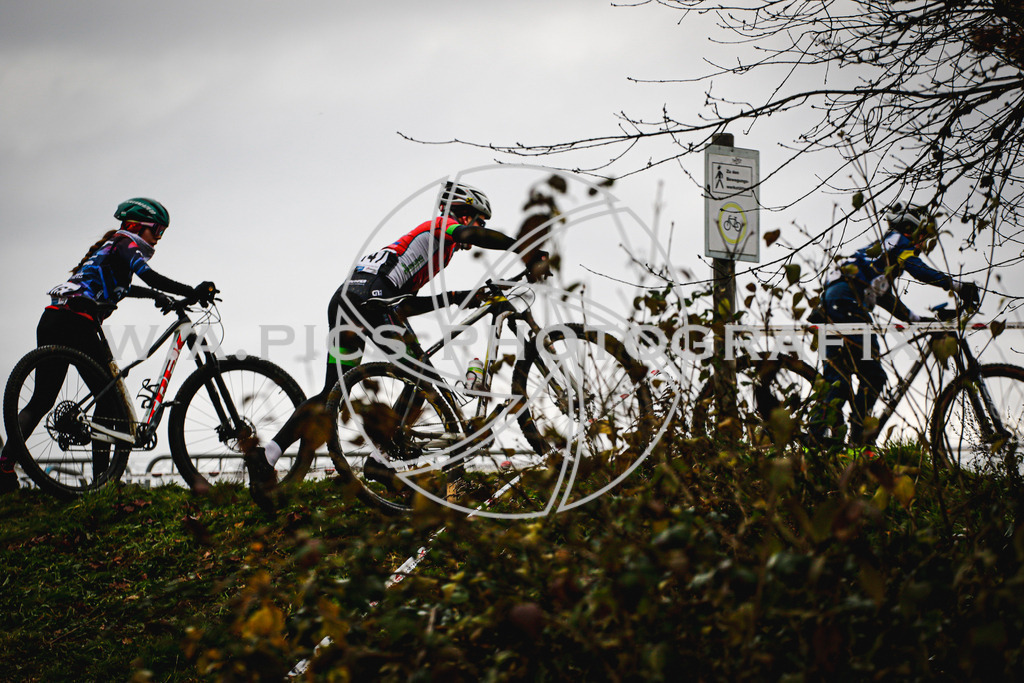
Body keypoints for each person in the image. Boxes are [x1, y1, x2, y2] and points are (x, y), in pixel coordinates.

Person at [244, 181, 547, 502]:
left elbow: (405, 305)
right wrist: (522, 248)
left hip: (349, 300)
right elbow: (469, 238)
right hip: (373, 302)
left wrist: (456, 298)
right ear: (462, 214)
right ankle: (383, 461)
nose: (480, 228)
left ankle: (267, 457)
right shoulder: (439, 227)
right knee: (424, 379)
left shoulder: (433, 253)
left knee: (334, 393)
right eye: (479, 221)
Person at [0, 198, 217, 493]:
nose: (159, 238)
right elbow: (149, 276)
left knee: (41, 399)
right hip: (77, 321)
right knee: (108, 401)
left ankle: (4, 467)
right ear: (136, 225)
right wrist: (189, 291)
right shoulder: (125, 242)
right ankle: (103, 481)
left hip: (53, 318)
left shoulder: (113, 250)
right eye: (157, 230)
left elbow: (123, 287)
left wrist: (157, 297)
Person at [808, 200, 980, 450]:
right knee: (874, 376)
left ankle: (816, 442)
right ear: (911, 229)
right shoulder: (899, 241)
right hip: (847, 306)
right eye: (923, 236)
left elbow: (889, 301)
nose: (922, 245)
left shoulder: (879, 255)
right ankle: (857, 440)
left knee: (839, 380)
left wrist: (922, 321)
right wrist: (959, 286)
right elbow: (919, 270)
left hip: (832, 306)